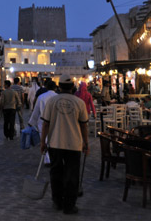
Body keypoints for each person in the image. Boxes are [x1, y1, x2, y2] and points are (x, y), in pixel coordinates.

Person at [40, 74, 89, 215]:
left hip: (55, 142)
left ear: (59, 86)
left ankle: (57, 201)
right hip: (74, 144)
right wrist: (86, 143)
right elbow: (84, 126)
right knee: (72, 174)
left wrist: (43, 142)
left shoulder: (52, 101)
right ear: (72, 87)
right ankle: (69, 205)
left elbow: (45, 124)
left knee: (56, 173)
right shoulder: (79, 102)